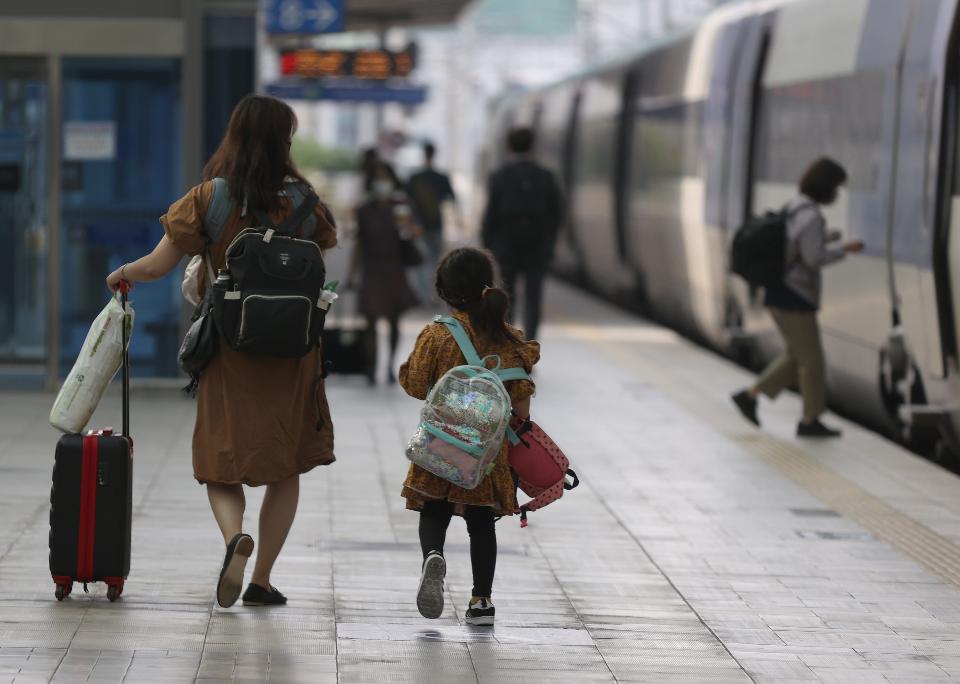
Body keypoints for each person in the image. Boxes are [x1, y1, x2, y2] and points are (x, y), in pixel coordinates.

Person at [104, 94, 338, 608]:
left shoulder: (209, 197)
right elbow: (318, 254)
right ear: (285, 141)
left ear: (234, 137)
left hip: (231, 345)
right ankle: (263, 580)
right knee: (286, 466)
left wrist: (122, 274)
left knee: (219, 460)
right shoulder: (304, 200)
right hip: (294, 350)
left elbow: (157, 265)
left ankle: (235, 538)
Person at [398, 247, 540, 626]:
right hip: (487, 456)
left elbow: (414, 384)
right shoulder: (510, 339)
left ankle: (433, 555)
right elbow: (522, 409)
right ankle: (481, 603)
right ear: (486, 288)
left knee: (434, 510)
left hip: (441, 444)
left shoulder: (437, 335)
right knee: (481, 525)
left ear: (443, 289)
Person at [731, 157, 864, 438]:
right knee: (812, 360)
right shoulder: (812, 215)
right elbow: (813, 259)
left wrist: (825, 238)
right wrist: (845, 248)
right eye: (837, 187)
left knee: (796, 356)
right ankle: (809, 421)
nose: (838, 194)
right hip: (795, 295)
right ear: (826, 186)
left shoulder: (795, 206)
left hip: (781, 292)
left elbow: (795, 246)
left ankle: (750, 396)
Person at [482, 127, 563, 341]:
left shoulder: (499, 176)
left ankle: (509, 343)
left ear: (509, 147)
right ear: (532, 146)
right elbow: (557, 214)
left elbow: (491, 213)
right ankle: (530, 344)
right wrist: (550, 243)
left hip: (506, 246)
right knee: (534, 297)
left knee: (508, 297)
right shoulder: (546, 176)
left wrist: (488, 244)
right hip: (538, 247)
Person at [346, 161, 419, 384]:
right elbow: (359, 242)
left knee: (394, 319)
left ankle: (389, 366)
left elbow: (414, 233)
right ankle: (371, 366)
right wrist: (352, 273)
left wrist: (407, 227)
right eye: (378, 178)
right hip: (372, 268)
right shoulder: (364, 209)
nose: (382, 183)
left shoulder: (401, 205)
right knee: (369, 320)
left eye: (385, 177)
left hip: (394, 267)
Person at [407, 142, 458, 298]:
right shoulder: (441, 177)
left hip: (417, 225)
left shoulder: (414, 178)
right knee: (436, 260)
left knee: (421, 260)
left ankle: (423, 295)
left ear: (423, 154)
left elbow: (406, 200)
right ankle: (435, 294)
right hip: (436, 223)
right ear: (434, 154)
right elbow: (452, 199)